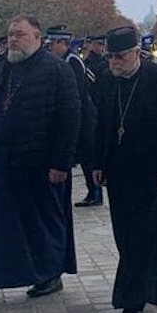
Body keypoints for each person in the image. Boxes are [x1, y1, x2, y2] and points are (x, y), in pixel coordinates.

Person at [0, 14, 81, 303]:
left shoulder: (57, 70)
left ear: (37, 37)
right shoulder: (8, 67)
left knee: (40, 224)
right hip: (5, 162)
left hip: (40, 163)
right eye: (10, 34)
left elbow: (69, 119)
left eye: (19, 34)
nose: (12, 39)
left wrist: (61, 163)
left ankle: (49, 275)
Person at [92, 25, 157, 313]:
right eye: (110, 57)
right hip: (118, 171)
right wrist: (96, 164)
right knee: (125, 233)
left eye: (119, 56)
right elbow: (100, 125)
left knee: (145, 235)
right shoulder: (107, 81)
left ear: (135, 53)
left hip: (154, 171)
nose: (113, 63)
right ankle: (152, 283)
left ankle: (131, 298)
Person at [46, 26, 96, 205]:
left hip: (82, 115)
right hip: (75, 114)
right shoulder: (62, 60)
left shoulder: (73, 61)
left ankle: (95, 192)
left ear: (62, 43)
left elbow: (77, 93)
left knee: (87, 156)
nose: (50, 47)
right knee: (79, 157)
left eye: (52, 44)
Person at [77, 34, 108, 207]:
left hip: (94, 112)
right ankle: (93, 191)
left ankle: (96, 192)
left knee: (90, 156)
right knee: (86, 156)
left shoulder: (102, 64)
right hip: (89, 111)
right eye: (98, 45)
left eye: (102, 45)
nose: (101, 48)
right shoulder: (87, 63)